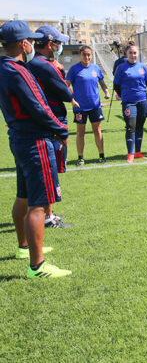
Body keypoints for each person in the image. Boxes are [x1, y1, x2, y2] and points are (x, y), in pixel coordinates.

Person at [0, 20, 71, 277]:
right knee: (39, 204)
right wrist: (61, 130)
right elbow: (39, 106)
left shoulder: (5, 67)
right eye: (29, 40)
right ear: (23, 43)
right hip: (35, 140)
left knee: (24, 196)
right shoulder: (17, 71)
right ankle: (37, 266)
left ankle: (23, 247)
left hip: (18, 137)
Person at [26, 25, 76, 228]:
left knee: (50, 169)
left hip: (45, 122)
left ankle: (49, 213)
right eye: (58, 43)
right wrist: (61, 74)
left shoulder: (35, 63)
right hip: (51, 123)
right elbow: (66, 93)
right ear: (49, 44)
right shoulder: (44, 66)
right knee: (50, 169)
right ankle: (47, 217)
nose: (60, 46)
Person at [65, 45, 110, 165]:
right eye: (84, 54)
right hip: (80, 107)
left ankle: (101, 155)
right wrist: (72, 100)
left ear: (92, 55)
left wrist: (106, 91)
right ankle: (80, 157)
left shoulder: (96, 68)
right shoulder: (74, 69)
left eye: (89, 54)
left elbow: (102, 83)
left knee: (98, 130)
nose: (87, 57)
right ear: (80, 55)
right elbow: (66, 86)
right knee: (80, 132)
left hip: (95, 106)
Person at [113, 44, 147, 163]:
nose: (133, 55)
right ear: (126, 54)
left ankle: (138, 152)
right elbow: (116, 85)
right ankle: (130, 153)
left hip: (143, 100)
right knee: (131, 126)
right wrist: (125, 95)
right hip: (129, 102)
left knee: (140, 126)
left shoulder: (142, 67)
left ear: (138, 53)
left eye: (135, 53)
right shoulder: (121, 67)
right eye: (130, 53)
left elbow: (146, 82)